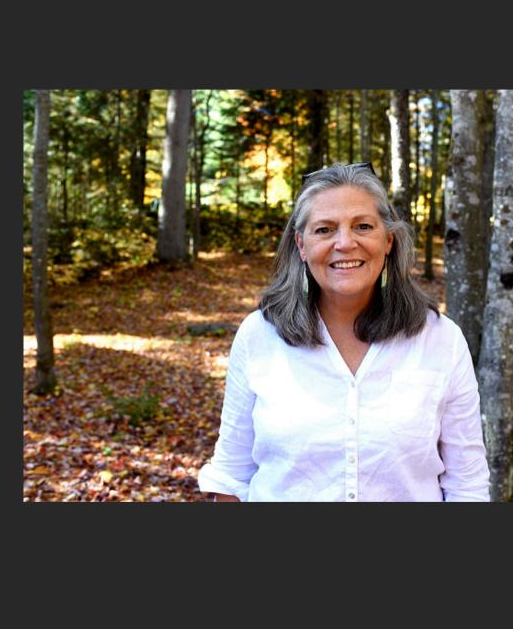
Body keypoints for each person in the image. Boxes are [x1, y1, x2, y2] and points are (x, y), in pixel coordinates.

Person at [197, 162, 490, 501]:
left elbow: (467, 486)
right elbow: (232, 477)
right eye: (324, 230)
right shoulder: (259, 336)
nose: (345, 243)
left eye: (363, 226)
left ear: (389, 240)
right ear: (301, 245)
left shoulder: (440, 339)